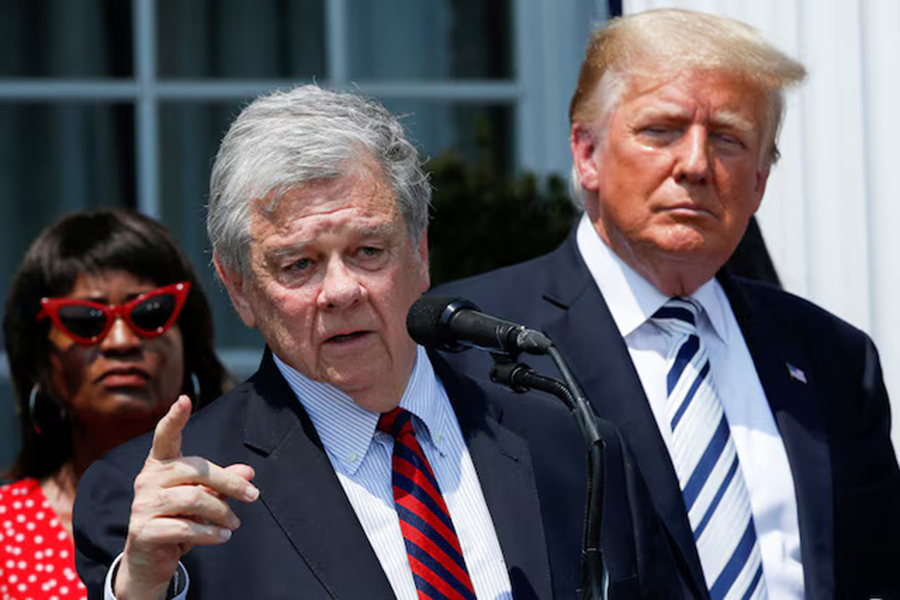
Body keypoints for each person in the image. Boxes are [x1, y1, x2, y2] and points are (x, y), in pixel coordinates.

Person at [72, 84, 689, 600]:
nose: (341, 291)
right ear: (239, 290)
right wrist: (142, 587)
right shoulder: (169, 500)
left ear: (419, 253)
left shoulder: (573, 444)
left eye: (369, 251)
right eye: (298, 265)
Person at [432, 8, 900, 600]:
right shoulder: (471, 342)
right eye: (661, 131)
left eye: (729, 139)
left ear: (760, 181)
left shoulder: (833, 357)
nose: (697, 165)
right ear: (587, 153)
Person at [1, 208, 231, 600]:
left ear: (189, 344)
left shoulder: (245, 503)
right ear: (41, 363)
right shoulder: (6, 530)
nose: (121, 341)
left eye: (150, 313)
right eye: (85, 321)